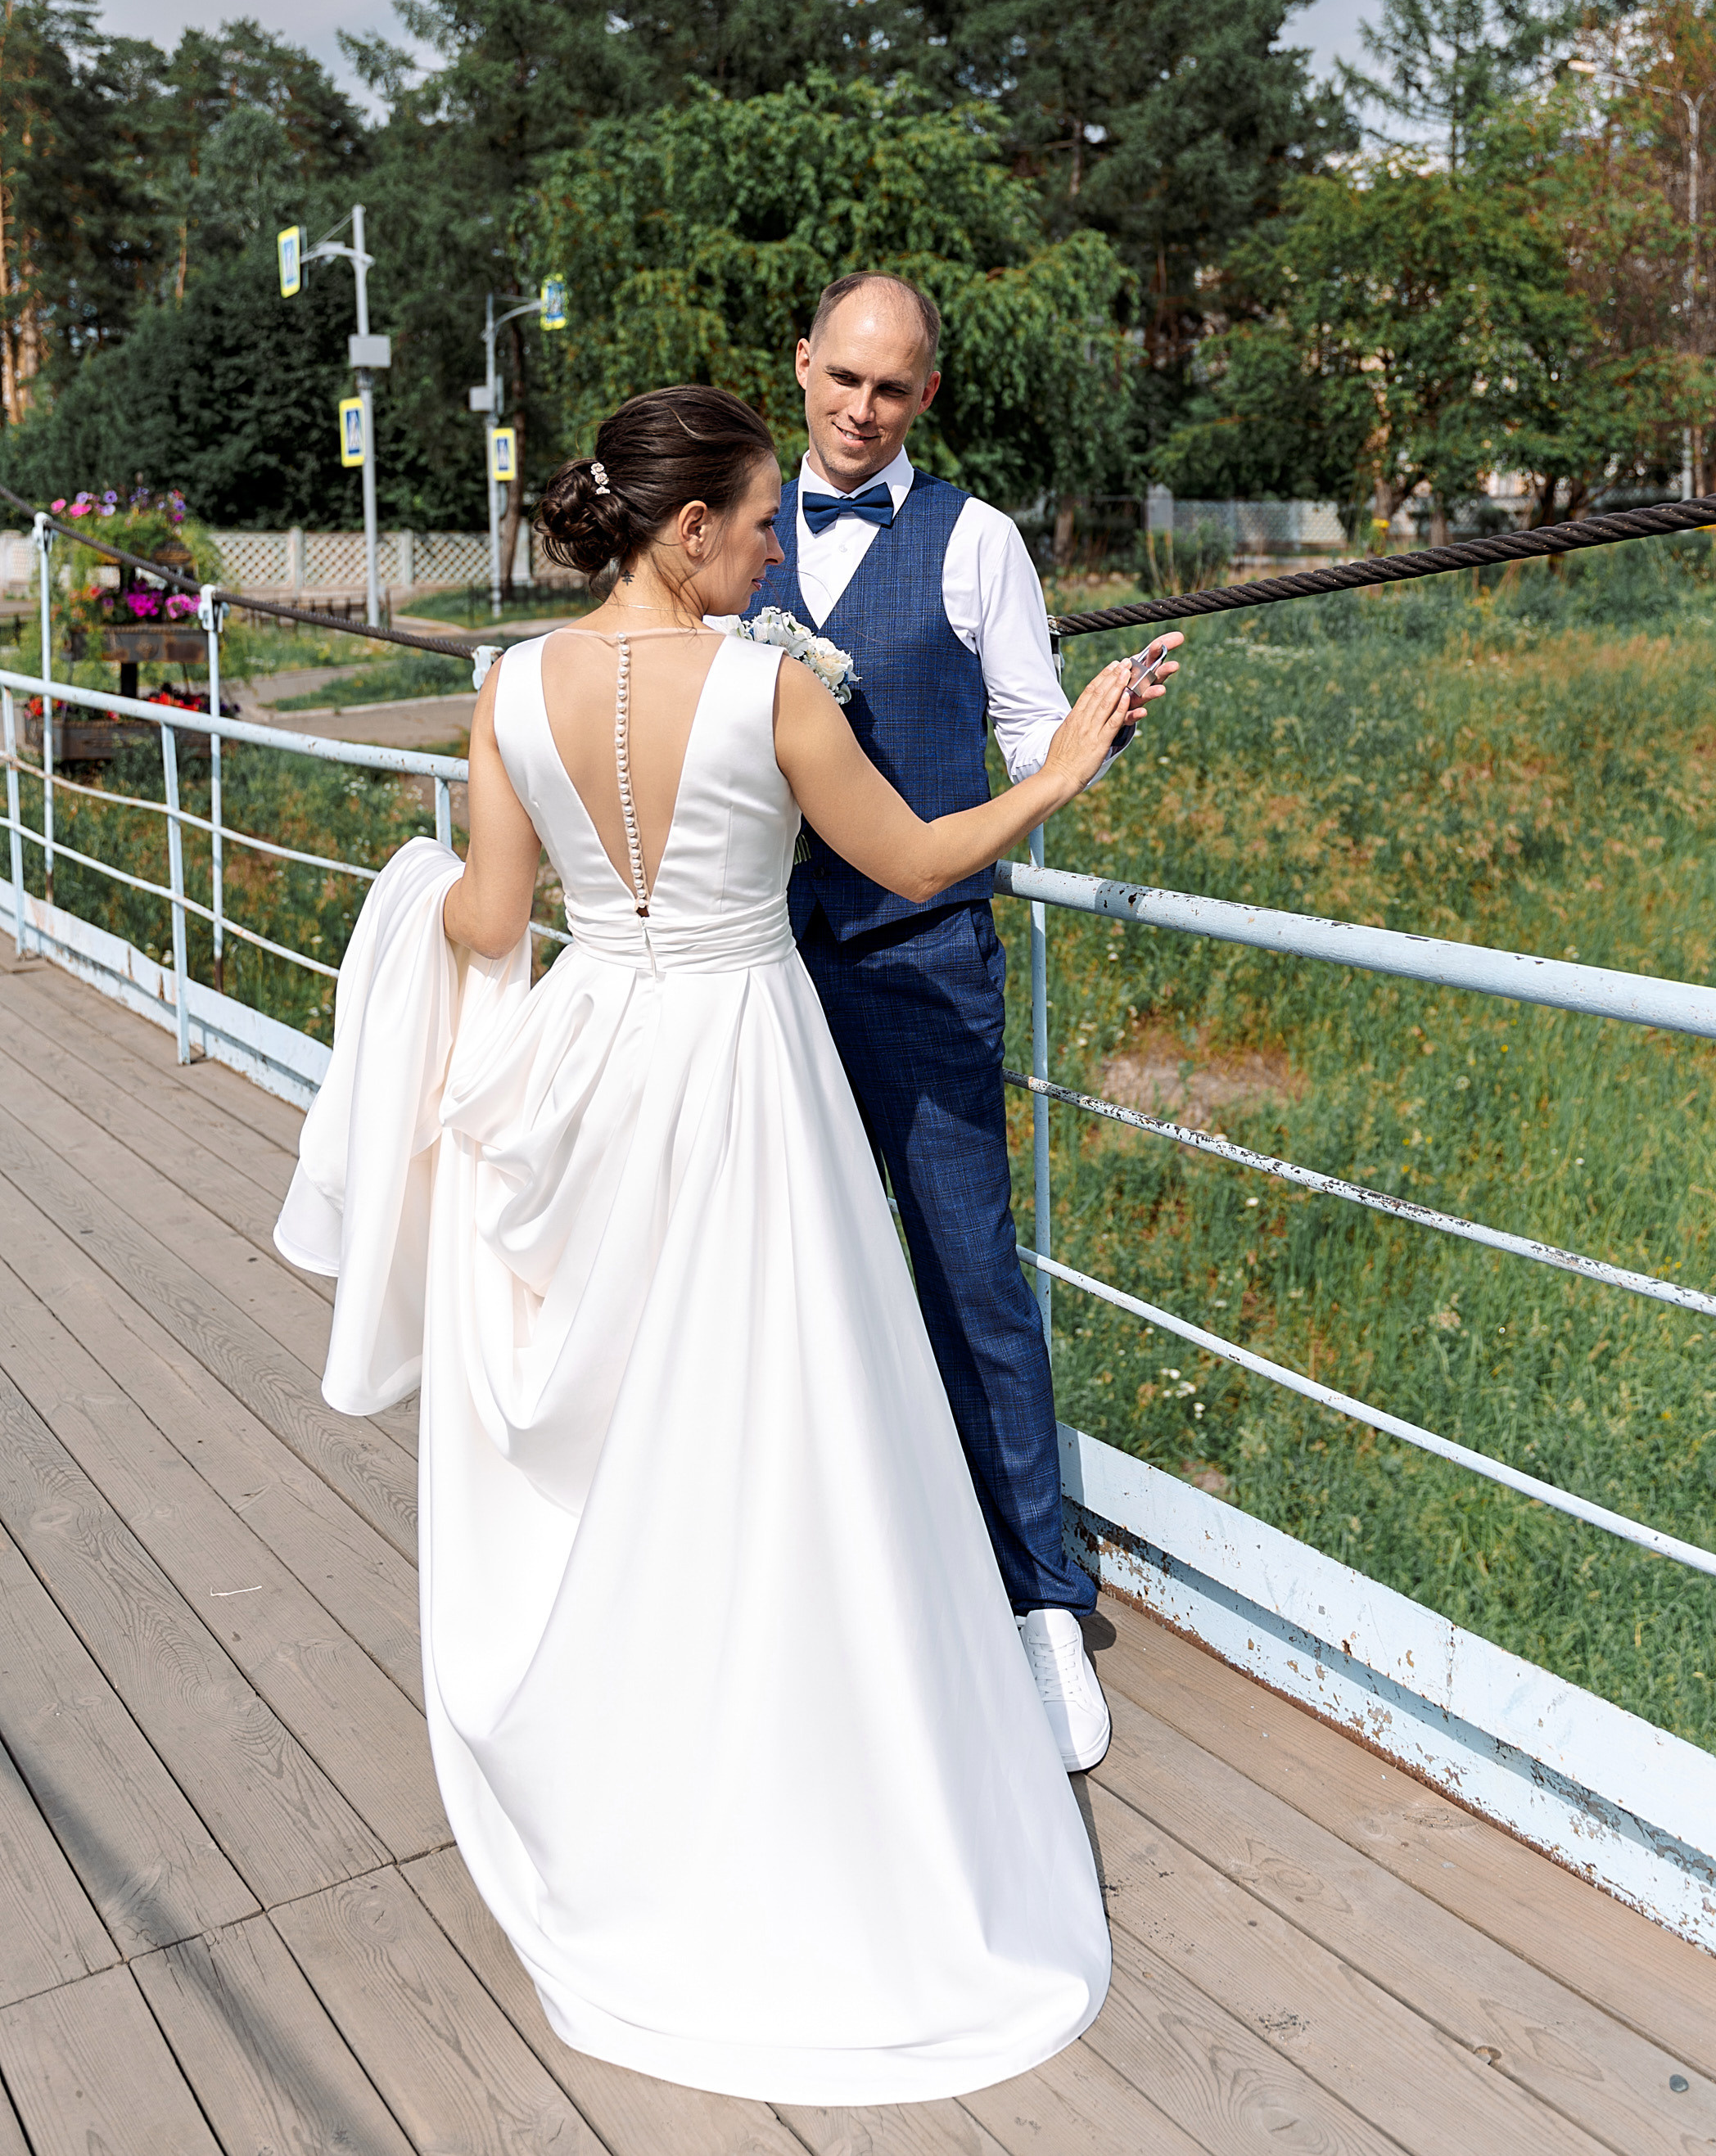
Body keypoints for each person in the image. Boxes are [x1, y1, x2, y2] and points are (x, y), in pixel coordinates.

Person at [274, 385, 1143, 2103]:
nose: (771, 559)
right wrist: (1058, 766)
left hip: (602, 1069)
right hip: (748, 1073)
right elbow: (911, 860)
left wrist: (407, 896)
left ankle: (643, 1769)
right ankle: (806, 1772)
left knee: (633, 1437)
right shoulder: (767, 694)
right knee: (783, 1424)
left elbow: (490, 917)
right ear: (687, 532)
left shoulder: (509, 684)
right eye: (754, 530)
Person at [749, 273, 1180, 1771]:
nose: (861, 411)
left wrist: (1089, 742)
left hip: (923, 957)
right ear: (801, 368)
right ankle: (805, 1576)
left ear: (926, 395)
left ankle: (1038, 1602)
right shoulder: (728, 524)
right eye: (842, 380)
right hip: (754, 965)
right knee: (773, 1268)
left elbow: (1027, 733)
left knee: (968, 1270)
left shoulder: (976, 539)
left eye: (893, 388)